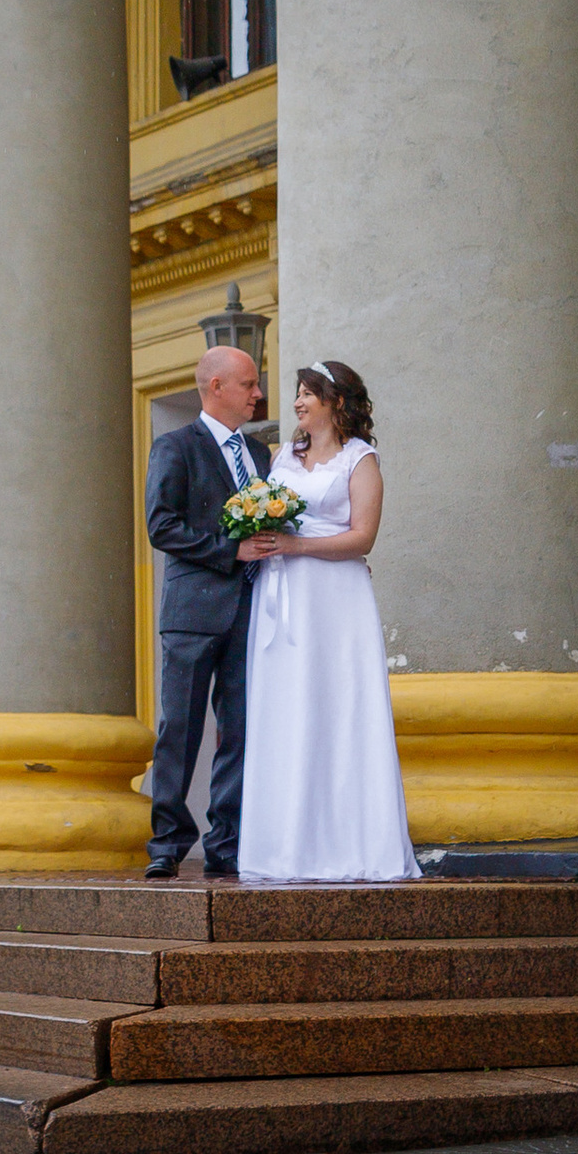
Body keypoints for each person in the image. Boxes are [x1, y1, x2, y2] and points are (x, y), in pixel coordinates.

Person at [233, 357, 417, 883]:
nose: (297, 402)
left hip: (337, 599)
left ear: (336, 402)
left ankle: (350, 843)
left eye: (308, 393)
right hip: (284, 592)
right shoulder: (282, 458)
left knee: (338, 709)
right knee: (287, 709)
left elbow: (363, 537)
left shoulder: (361, 461)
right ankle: (284, 847)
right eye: (297, 393)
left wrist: (295, 543)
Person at [142, 339, 269, 882]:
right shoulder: (176, 446)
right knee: (181, 727)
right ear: (216, 387)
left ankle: (228, 841)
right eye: (249, 385)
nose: (258, 396)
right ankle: (167, 841)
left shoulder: (262, 455)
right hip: (193, 613)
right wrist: (229, 549)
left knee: (240, 729)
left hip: (251, 610)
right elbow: (161, 525)